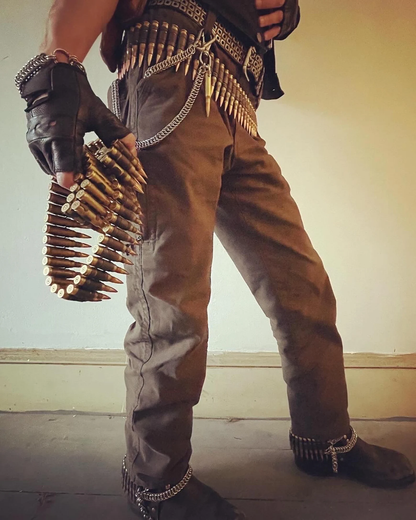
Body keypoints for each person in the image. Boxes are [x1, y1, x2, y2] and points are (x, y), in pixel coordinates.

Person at [17, 0, 415, 518]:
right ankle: (156, 480)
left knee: (302, 286)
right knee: (172, 305)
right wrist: (55, 75)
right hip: (171, 78)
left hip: (236, 105)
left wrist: (283, 14)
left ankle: (325, 438)